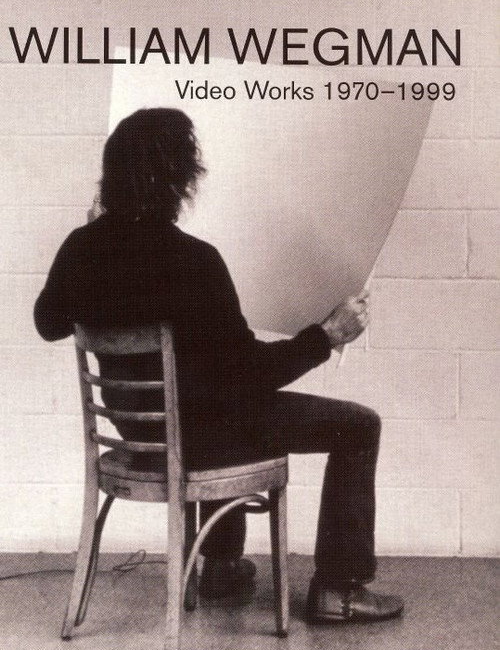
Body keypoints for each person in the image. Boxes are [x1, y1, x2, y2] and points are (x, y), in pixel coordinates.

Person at [34, 108, 403, 623]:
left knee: (213, 401)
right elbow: (251, 375)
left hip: (137, 438)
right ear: (180, 180)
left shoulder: (82, 247)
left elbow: (48, 323)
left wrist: (94, 236)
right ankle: (339, 591)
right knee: (357, 425)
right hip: (200, 439)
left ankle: (223, 567)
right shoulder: (195, 260)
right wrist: (326, 336)